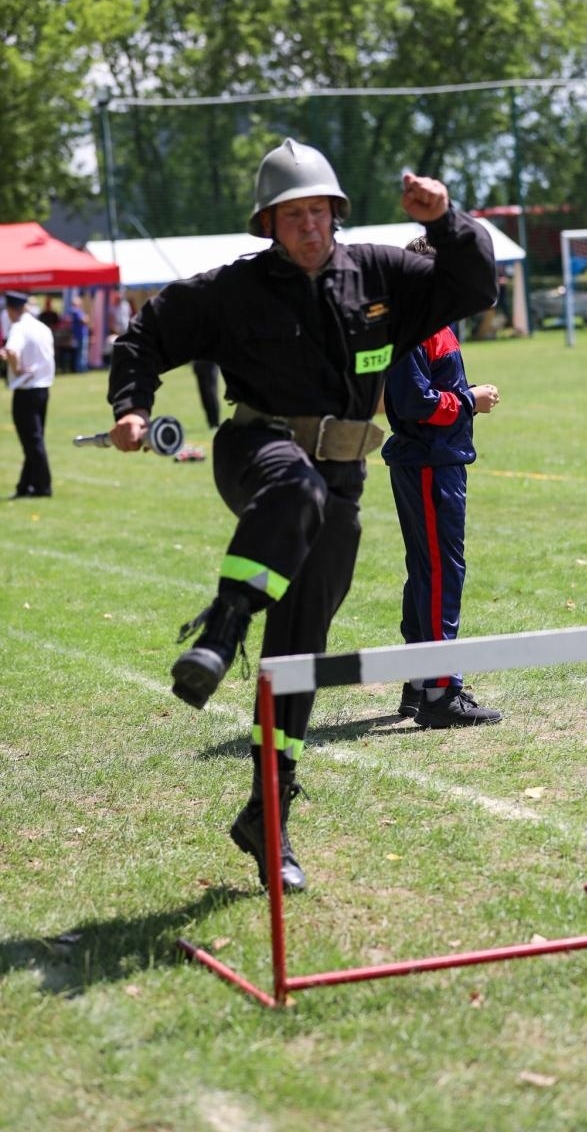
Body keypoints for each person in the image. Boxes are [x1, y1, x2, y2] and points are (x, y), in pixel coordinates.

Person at [106, 137, 497, 894]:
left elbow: (471, 285)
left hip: (341, 482)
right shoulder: (234, 288)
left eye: (319, 211)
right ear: (269, 223)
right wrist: (132, 407)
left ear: (336, 214)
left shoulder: (383, 275)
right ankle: (221, 630)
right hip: (258, 452)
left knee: (297, 660)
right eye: (293, 215)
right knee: (298, 492)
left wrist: (446, 220)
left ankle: (269, 816)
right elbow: (147, 334)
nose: (309, 226)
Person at [382, 235, 503, 730]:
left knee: (429, 570)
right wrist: (470, 400)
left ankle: (420, 682)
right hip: (428, 461)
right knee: (439, 572)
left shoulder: (437, 319)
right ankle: (439, 690)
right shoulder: (412, 323)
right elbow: (414, 402)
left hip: (440, 459)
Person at [0, 291, 55, 498]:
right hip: (43, 387)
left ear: (12, 310)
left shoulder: (18, 328)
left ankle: (42, 485)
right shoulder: (41, 327)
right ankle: (25, 486)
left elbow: (13, 351)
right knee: (34, 439)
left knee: (32, 441)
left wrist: (17, 367)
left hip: (26, 389)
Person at [192, 360, 221, 428]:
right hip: (199, 365)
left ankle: (215, 422)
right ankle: (210, 423)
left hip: (210, 365)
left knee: (210, 394)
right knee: (204, 396)